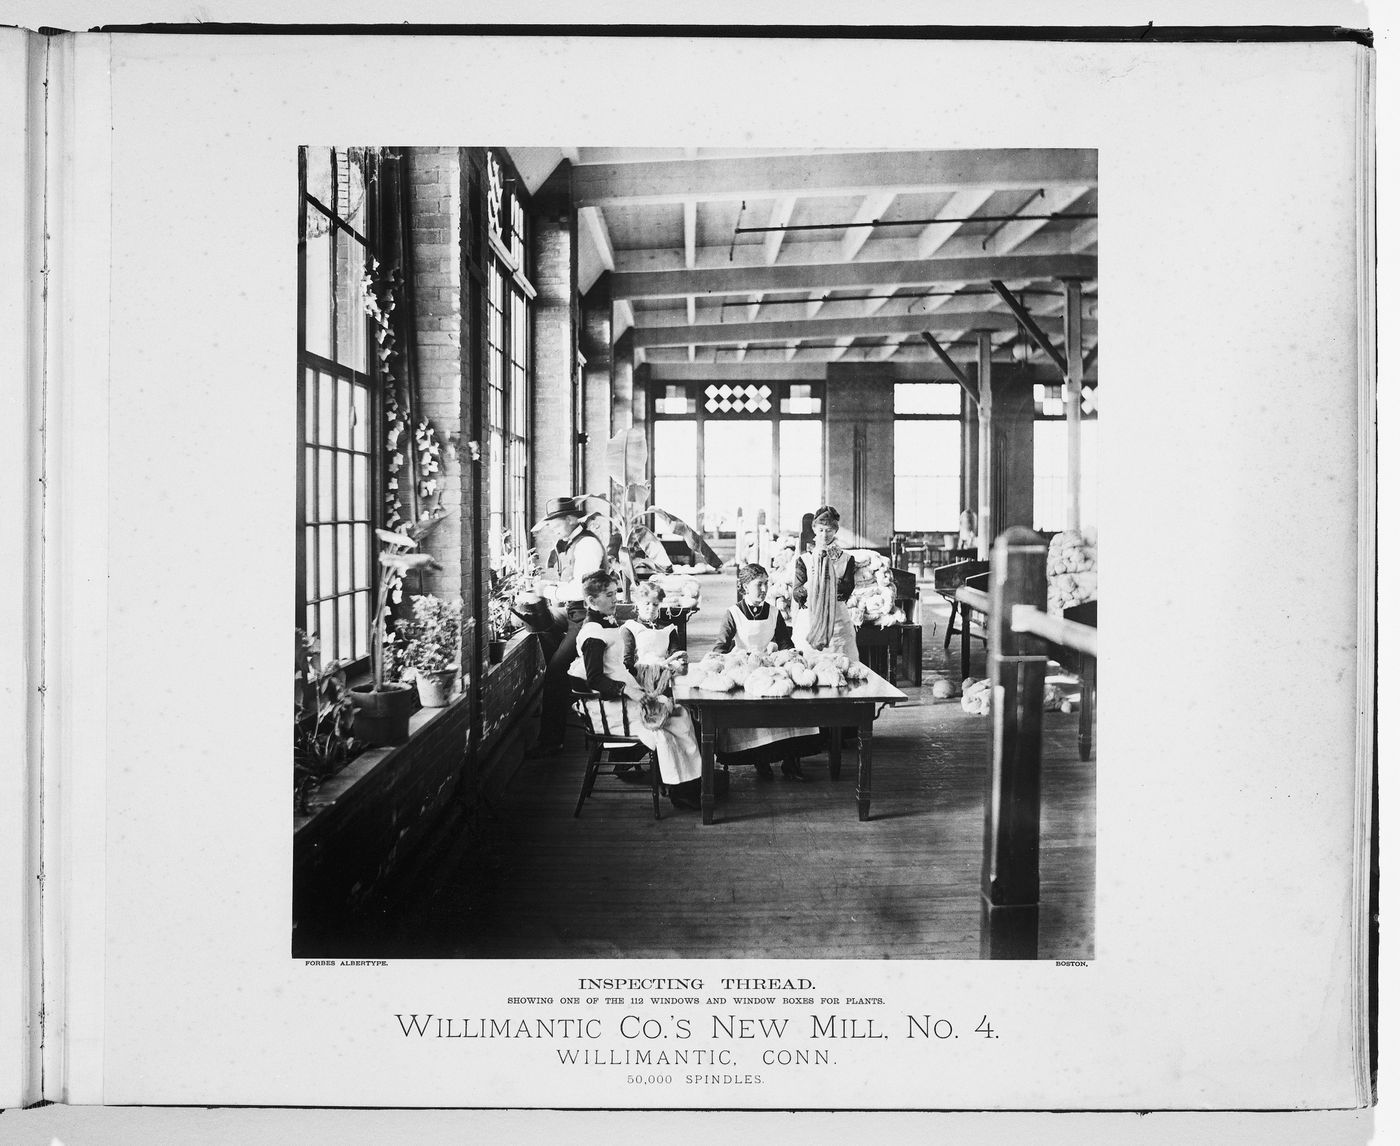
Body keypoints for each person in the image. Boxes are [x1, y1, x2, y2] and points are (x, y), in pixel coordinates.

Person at [568, 571, 704, 811]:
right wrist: (630, 691)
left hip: (624, 700)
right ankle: (681, 791)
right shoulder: (592, 633)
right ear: (591, 601)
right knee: (673, 722)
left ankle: (689, 784)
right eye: (608, 595)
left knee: (681, 715)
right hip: (613, 709)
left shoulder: (605, 623)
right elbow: (596, 679)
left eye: (615, 594)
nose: (615, 600)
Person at [711, 563, 822, 781]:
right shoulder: (733, 613)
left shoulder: (773, 612)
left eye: (766, 584)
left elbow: (783, 641)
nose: (764, 589)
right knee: (756, 715)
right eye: (758, 584)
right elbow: (720, 648)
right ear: (744, 587)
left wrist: (791, 655)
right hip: (746, 671)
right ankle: (760, 760)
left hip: (770, 667)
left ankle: (791, 762)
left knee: (793, 705)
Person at [790, 504, 859, 660]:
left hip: (837, 622)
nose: (824, 535)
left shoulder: (846, 559)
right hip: (809, 621)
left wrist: (824, 580)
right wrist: (811, 585)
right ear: (814, 529)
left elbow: (847, 589)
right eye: (821, 530)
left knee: (842, 664)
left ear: (835, 531)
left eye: (829, 530)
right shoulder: (804, 559)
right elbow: (797, 593)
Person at [526, 592, 588, 757]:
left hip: (583, 617)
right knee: (545, 624)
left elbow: (582, 586)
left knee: (555, 673)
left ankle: (552, 741)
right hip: (575, 612)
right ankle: (552, 736)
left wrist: (547, 590)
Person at [535, 496, 609, 584]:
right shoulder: (574, 542)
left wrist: (548, 591)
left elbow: (582, 588)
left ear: (570, 520)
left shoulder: (586, 544)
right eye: (552, 529)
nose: (555, 533)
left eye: (557, 527)